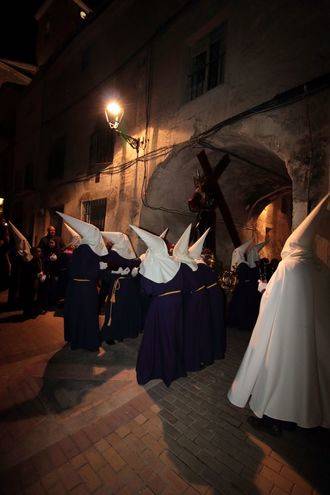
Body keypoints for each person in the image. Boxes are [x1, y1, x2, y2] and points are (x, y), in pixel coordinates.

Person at [228, 194, 330, 435]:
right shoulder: (318, 267)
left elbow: (272, 299)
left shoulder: (289, 266)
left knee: (280, 372)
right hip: (312, 333)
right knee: (305, 373)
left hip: (285, 332)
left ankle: (275, 418)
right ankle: (305, 416)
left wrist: (265, 290)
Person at [130, 225, 186, 387]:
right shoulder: (174, 262)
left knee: (157, 337)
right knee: (172, 336)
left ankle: (157, 370)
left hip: (162, 306)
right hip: (176, 304)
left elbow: (147, 290)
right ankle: (172, 368)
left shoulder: (152, 264)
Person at [57, 212, 110, 354]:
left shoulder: (79, 249)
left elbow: (71, 270)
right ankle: (89, 342)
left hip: (74, 288)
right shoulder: (92, 252)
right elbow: (95, 274)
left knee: (76, 314)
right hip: (87, 288)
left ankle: (75, 340)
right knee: (88, 314)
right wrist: (102, 269)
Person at [172, 225, 214, 371]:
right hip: (197, 300)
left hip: (193, 301)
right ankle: (197, 358)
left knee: (192, 331)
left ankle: (192, 358)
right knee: (197, 330)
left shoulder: (186, 264)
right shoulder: (191, 264)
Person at [100, 232, 141, 344]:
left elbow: (134, 266)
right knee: (115, 310)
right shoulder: (113, 253)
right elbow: (105, 272)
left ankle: (122, 332)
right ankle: (110, 335)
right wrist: (116, 273)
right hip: (117, 287)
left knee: (125, 310)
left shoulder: (128, 252)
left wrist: (133, 273)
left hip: (129, 286)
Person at [227, 240, 261, 331]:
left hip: (240, 289)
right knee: (243, 307)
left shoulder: (239, 263)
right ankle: (243, 324)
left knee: (238, 306)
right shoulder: (243, 264)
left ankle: (236, 322)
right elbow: (248, 276)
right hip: (245, 289)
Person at [21, 247, 47, 318]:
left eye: (40, 251)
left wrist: (44, 275)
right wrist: (37, 275)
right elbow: (28, 274)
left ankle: (37, 310)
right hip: (33, 283)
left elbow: (43, 269)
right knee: (31, 298)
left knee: (39, 297)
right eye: (38, 252)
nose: (39, 253)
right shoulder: (30, 263)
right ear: (33, 253)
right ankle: (29, 312)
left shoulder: (41, 260)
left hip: (40, 281)